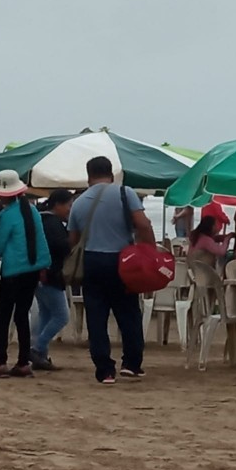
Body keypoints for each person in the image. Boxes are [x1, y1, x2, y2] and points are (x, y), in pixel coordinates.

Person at [68, 157, 155, 385]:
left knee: (96, 317)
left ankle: (105, 370)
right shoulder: (125, 193)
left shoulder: (78, 202)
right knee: (128, 313)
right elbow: (143, 224)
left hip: (91, 261)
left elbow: (73, 239)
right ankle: (131, 364)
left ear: (88, 176)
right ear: (113, 174)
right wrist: (150, 252)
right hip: (122, 260)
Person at [0, 170, 51, 378]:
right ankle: (23, 362)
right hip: (32, 269)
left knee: (4, 317)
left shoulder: (6, 216)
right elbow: (40, 241)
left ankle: (1, 361)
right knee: (22, 315)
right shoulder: (31, 211)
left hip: (13, 271)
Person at [31, 189, 73, 371]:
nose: (70, 210)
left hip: (39, 274)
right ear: (58, 205)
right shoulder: (53, 223)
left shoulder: (41, 220)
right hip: (50, 275)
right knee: (62, 316)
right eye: (69, 206)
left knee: (46, 314)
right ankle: (36, 348)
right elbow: (61, 247)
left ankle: (41, 356)